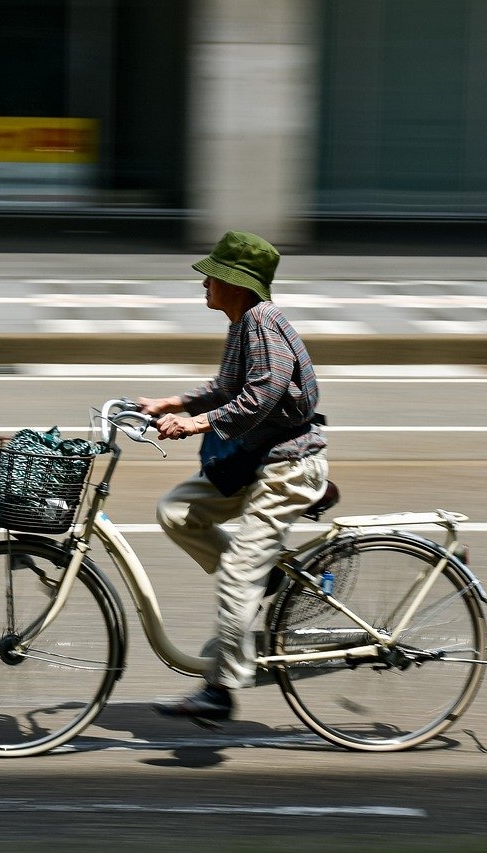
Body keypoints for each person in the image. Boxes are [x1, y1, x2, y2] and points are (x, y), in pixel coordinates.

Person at [139, 230, 327, 724]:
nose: (204, 282)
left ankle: (222, 689)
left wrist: (196, 423)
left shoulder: (263, 321)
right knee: (177, 511)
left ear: (236, 283)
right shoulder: (243, 323)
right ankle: (260, 576)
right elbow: (226, 387)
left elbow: (262, 395)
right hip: (255, 460)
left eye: (213, 275)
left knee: (238, 572)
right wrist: (172, 402)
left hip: (287, 466)